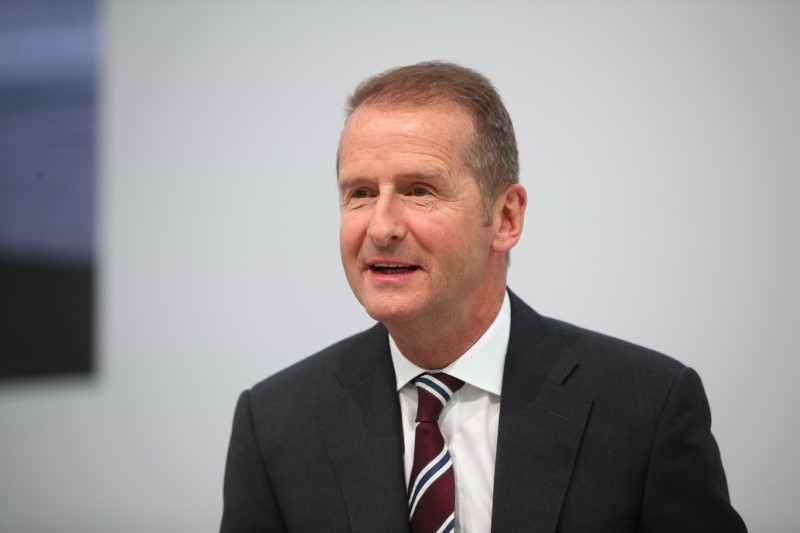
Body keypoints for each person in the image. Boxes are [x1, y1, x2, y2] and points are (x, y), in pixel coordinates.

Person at [220, 61, 747, 533]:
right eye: (359, 193)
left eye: (419, 190)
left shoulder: (647, 409)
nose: (380, 227)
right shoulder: (274, 425)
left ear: (505, 218)